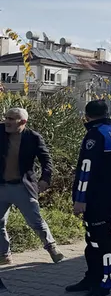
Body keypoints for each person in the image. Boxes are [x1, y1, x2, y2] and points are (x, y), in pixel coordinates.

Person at [65, 100, 111, 296]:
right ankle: (91, 277)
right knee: (92, 239)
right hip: (108, 194)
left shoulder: (95, 134)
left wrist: (79, 199)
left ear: (87, 115)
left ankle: (104, 281)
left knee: (102, 240)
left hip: (96, 197)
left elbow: (86, 169)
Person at [0, 107, 63, 265]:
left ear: (22, 122)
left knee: (36, 221)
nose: (6, 121)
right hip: (1, 186)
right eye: (6, 117)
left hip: (22, 187)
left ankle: (51, 247)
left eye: (11, 119)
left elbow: (46, 160)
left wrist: (45, 179)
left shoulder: (32, 137)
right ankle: (4, 255)